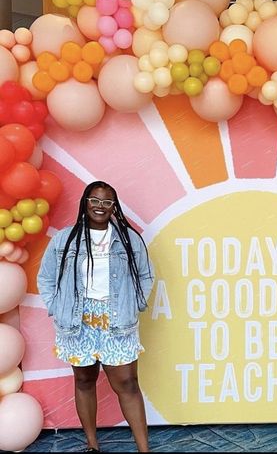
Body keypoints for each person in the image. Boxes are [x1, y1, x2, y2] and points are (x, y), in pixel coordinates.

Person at [37, 181, 154, 453]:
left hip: (117, 321)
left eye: (107, 202)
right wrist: (57, 308)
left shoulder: (128, 239)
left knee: (127, 383)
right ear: (85, 202)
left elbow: (145, 275)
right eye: (95, 200)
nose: (100, 206)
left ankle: (144, 449)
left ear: (114, 207)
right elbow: (46, 277)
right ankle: (92, 444)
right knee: (85, 380)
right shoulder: (65, 238)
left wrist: (134, 305)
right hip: (79, 321)